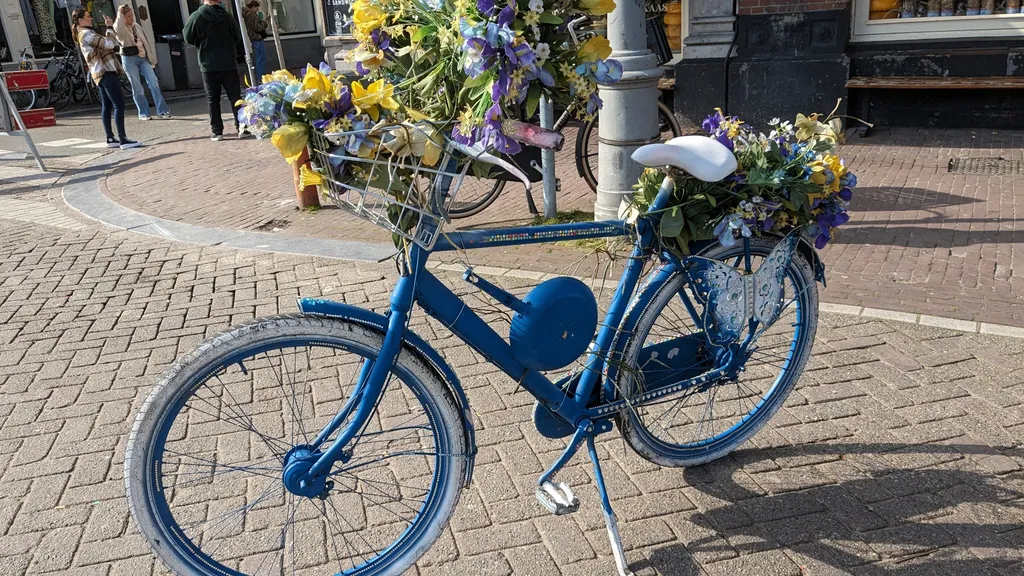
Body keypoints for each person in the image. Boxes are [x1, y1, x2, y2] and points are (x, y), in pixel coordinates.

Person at [72, 8, 140, 150]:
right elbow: (109, 44)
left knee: (107, 105)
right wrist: (109, 27)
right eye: (88, 16)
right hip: (105, 71)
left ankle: (110, 138)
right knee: (119, 104)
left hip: (100, 72)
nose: (91, 18)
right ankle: (123, 139)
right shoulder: (86, 34)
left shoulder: (84, 33)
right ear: (80, 21)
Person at [183, 0, 246, 141]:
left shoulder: (196, 16)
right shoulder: (227, 15)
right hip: (228, 62)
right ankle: (242, 127)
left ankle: (217, 131)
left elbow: (187, 37)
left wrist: (201, 42)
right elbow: (237, 36)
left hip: (208, 64)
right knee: (235, 97)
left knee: (213, 99)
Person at [112, 4, 171, 120]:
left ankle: (162, 110)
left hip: (143, 58)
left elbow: (146, 43)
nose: (131, 18)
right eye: (128, 16)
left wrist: (152, 59)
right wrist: (120, 14)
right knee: (137, 87)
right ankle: (143, 113)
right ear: (123, 18)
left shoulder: (137, 26)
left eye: (132, 15)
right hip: (129, 59)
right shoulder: (120, 28)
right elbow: (118, 31)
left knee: (153, 82)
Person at [243, 0, 268, 81]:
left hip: (254, 39)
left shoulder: (248, 15)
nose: (257, 10)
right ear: (253, 7)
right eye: (257, 8)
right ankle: (261, 77)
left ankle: (260, 77)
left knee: (259, 59)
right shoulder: (252, 15)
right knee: (260, 59)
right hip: (257, 38)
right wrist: (264, 23)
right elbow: (257, 27)